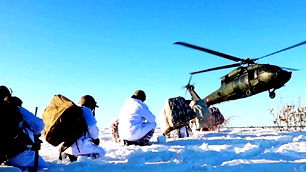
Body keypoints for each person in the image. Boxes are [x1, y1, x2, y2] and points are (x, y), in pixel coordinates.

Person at [0, 85, 48, 170]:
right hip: (20, 155)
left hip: (3, 157)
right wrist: (35, 132)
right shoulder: (15, 108)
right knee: (43, 166)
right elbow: (38, 125)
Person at [61, 95, 105, 161]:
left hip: (67, 146)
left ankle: (71, 155)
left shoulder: (73, 111)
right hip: (81, 146)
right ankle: (81, 158)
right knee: (102, 152)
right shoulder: (87, 111)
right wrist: (95, 139)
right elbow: (93, 132)